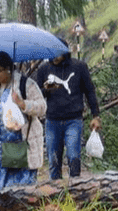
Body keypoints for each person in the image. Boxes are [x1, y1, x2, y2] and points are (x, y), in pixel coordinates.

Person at [0, 51, 47, 193]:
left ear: (8, 69)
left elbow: (42, 107)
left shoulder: (25, 84)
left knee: (17, 191)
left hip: (17, 145)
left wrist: (23, 104)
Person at [36, 38, 101, 180]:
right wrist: (46, 89)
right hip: (52, 121)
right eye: (51, 52)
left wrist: (95, 115)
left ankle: (75, 189)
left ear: (65, 52)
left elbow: (89, 90)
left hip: (74, 120)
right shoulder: (43, 69)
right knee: (53, 161)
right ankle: (56, 195)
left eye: (57, 52)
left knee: (73, 156)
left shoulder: (79, 67)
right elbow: (35, 95)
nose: (54, 56)